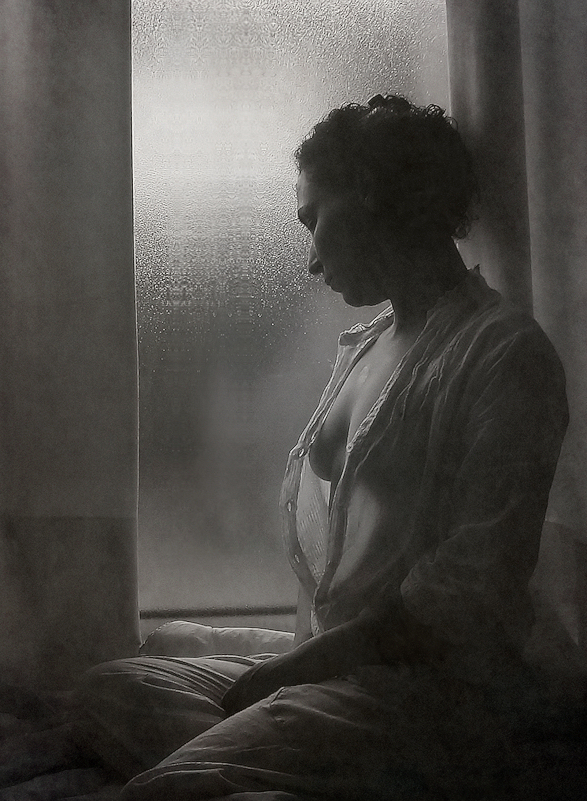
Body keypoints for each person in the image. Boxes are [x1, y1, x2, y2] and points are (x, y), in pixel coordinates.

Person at [74, 94, 569, 800]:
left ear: (370, 193)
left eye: (314, 219)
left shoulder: (504, 352)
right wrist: (297, 666)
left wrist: (294, 670)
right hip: (340, 667)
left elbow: (470, 592)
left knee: (171, 785)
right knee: (110, 687)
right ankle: (307, 770)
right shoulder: (367, 345)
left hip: (431, 693)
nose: (309, 260)